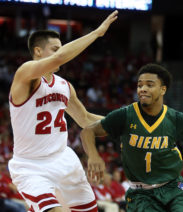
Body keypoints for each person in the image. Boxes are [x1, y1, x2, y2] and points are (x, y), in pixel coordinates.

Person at [80, 63, 183, 212]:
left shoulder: (175, 118)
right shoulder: (125, 115)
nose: (142, 89)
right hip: (141, 193)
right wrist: (93, 156)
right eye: (140, 85)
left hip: (173, 186)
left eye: (149, 85)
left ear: (163, 89)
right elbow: (88, 131)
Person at [8, 10, 118, 212]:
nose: (61, 52)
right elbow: (60, 58)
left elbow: (85, 119)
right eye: (55, 49)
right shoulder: (26, 73)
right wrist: (96, 33)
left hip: (64, 160)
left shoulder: (64, 86)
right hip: (32, 166)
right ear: (38, 51)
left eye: (61, 48)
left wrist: (124, 124)